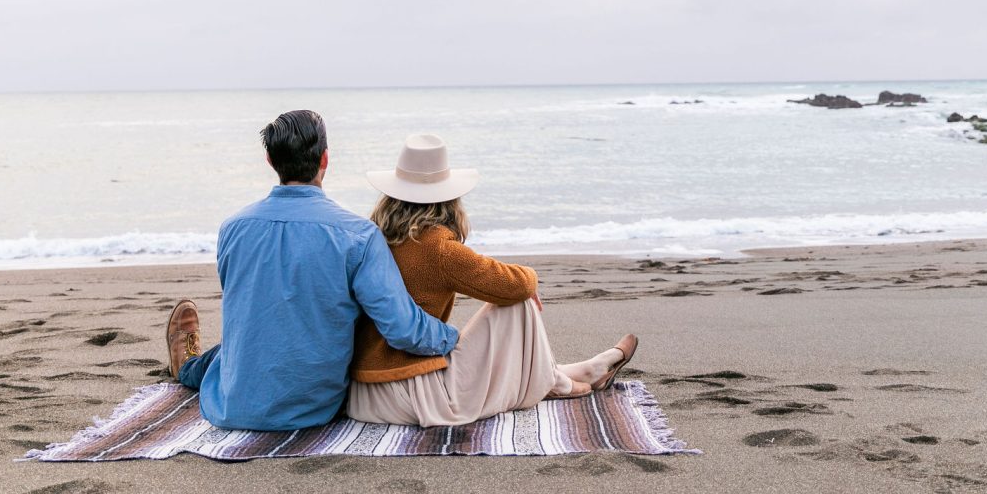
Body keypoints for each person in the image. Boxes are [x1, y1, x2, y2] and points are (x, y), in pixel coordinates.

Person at [163, 110, 460, 431]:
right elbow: (404, 330)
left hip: (233, 405)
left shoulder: (233, 228)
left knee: (235, 348)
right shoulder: (359, 235)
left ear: (269, 159)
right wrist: (451, 337)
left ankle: (189, 365)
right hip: (314, 408)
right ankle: (188, 364)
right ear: (325, 159)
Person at [347, 133, 637, 427]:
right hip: (412, 395)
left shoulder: (374, 236)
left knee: (511, 296)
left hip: (364, 394)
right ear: (449, 198)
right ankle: (557, 383)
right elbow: (518, 285)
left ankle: (573, 372)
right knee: (518, 302)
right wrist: (530, 281)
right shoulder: (438, 248)